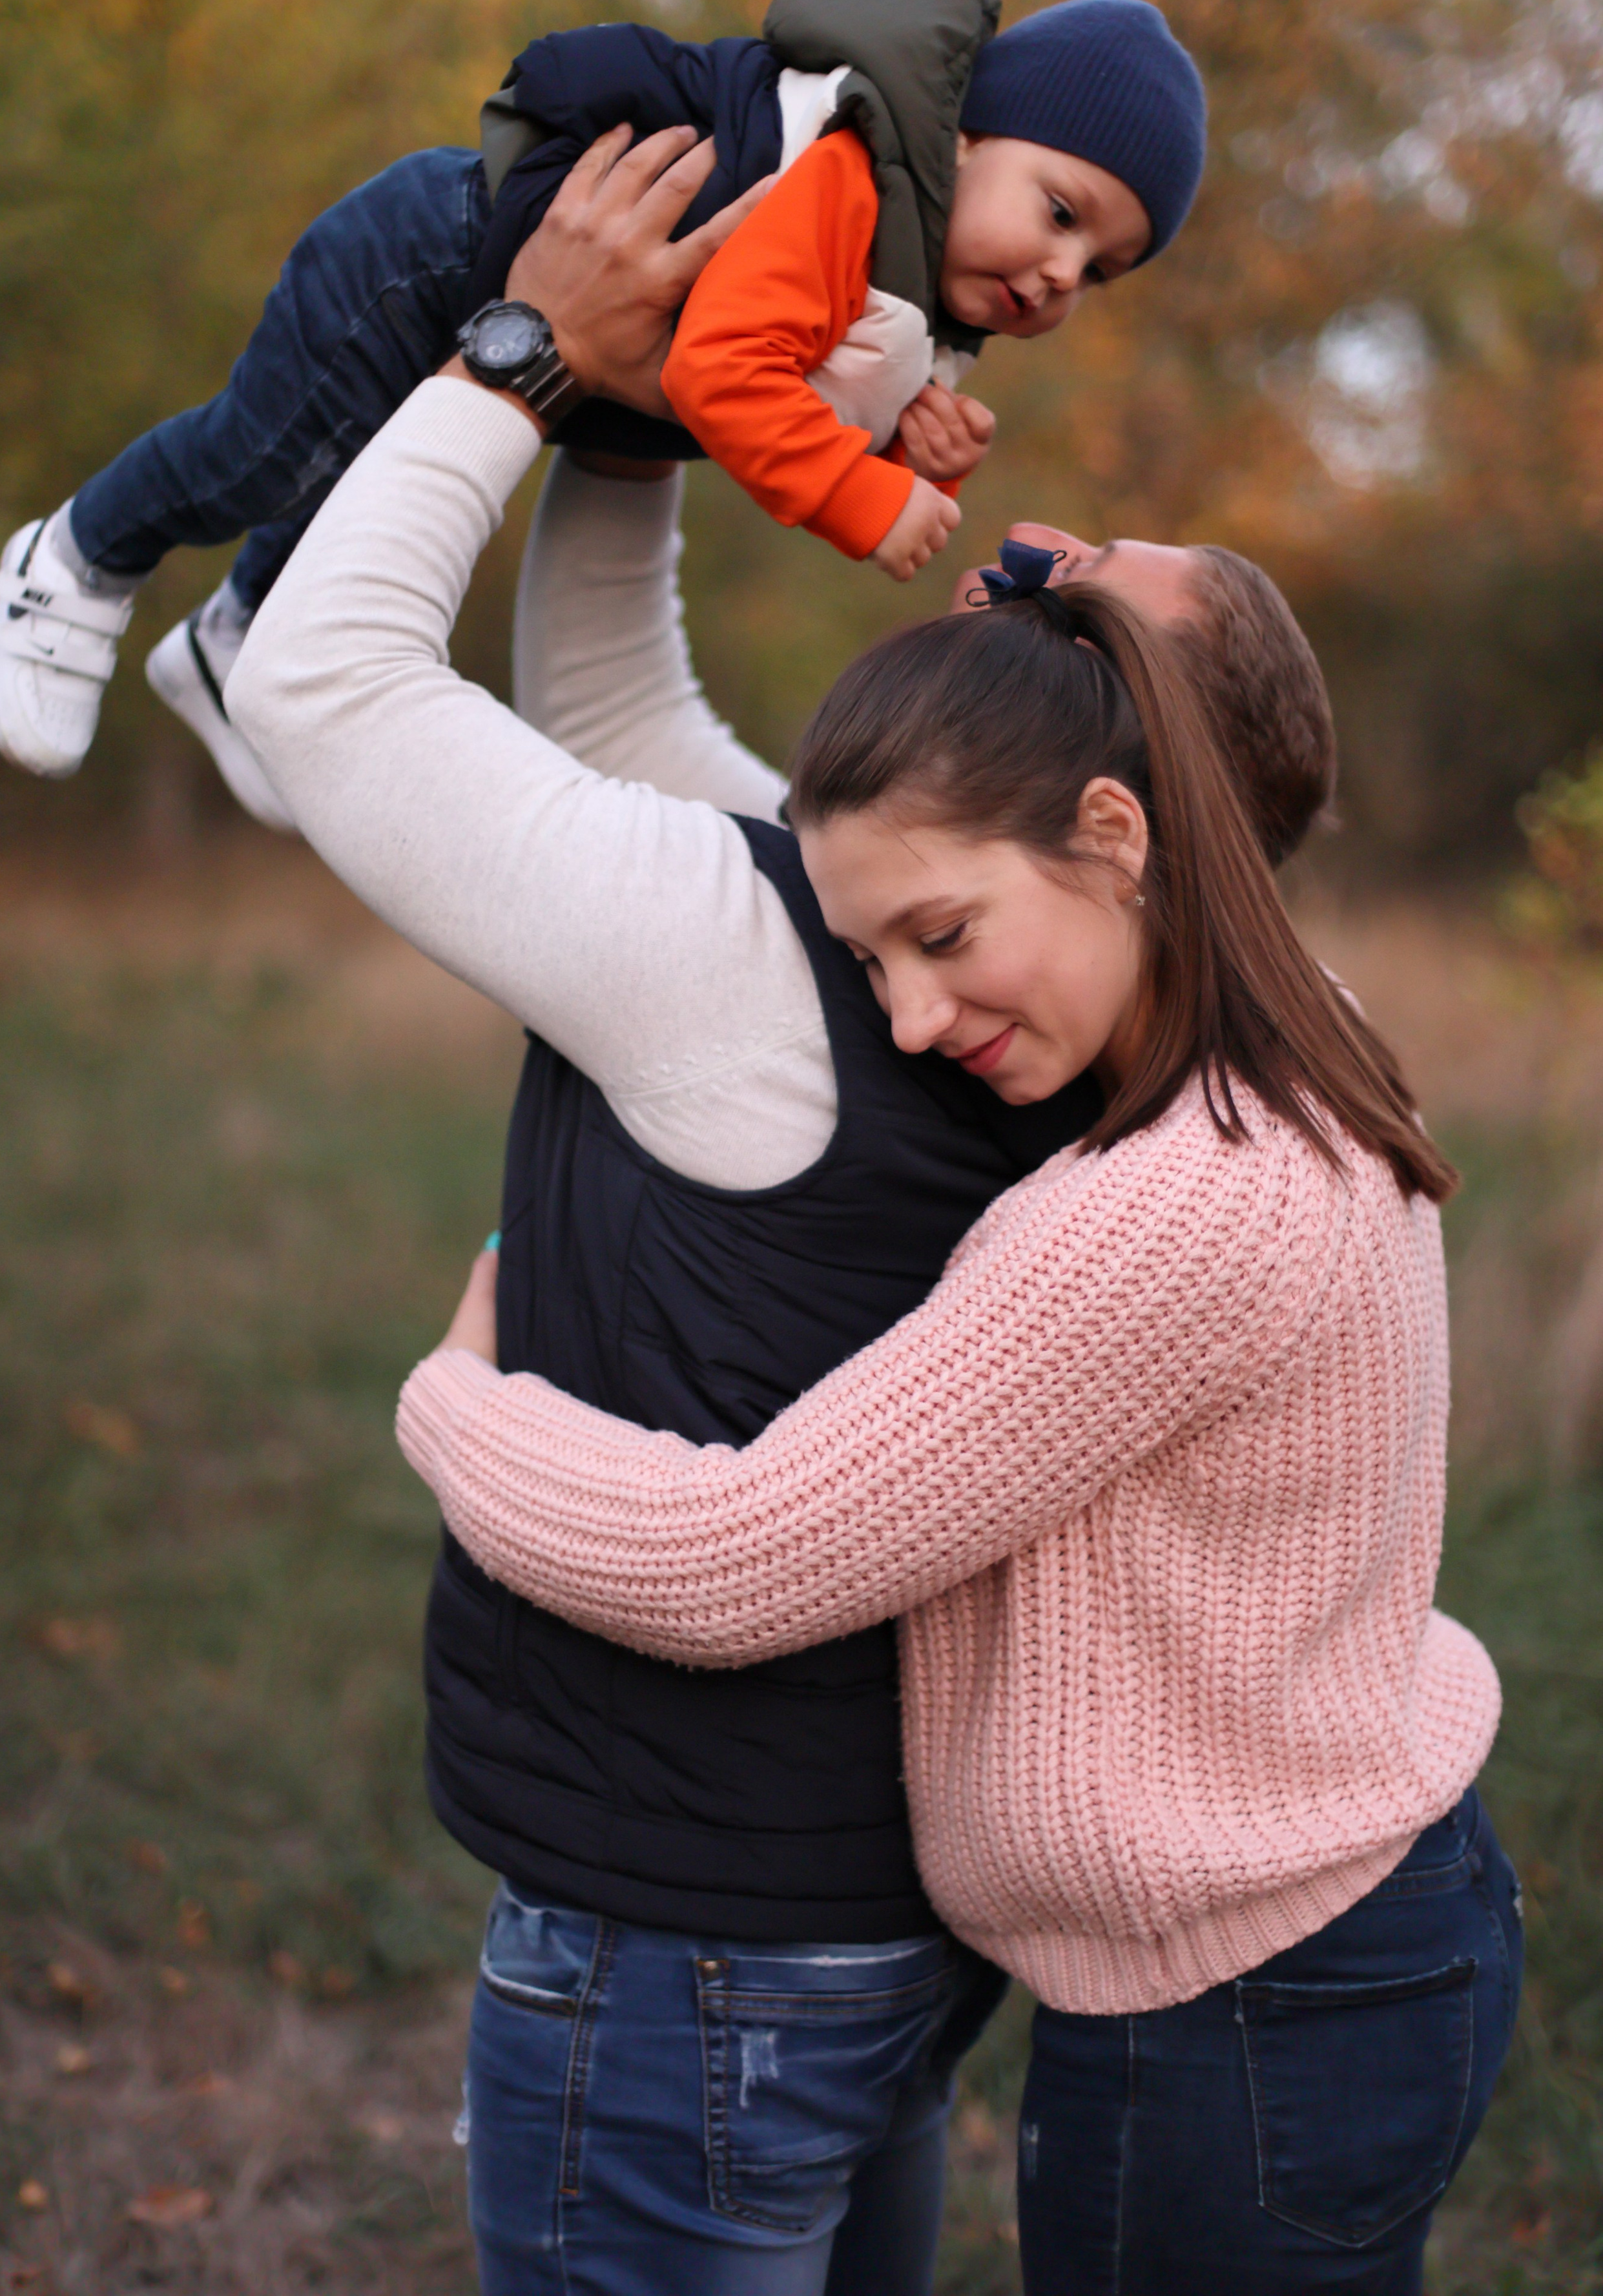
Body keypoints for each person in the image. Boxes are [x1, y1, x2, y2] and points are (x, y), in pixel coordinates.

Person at [218, 129, 1342, 2293]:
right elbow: (625, 718)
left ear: (1120, 808)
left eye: (1059, 590)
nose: (1007, 558)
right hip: (876, 1907)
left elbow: (323, 688)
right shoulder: (1033, 987)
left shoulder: (797, 969)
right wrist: (665, 400)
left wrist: (531, 345)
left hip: (683, 1929)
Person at [397, 537, 1521, 2291]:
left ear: (1119, 834)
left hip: (1248, 2000)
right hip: (1320, 1940)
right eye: (872, 965)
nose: (911, 1020)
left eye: (943, 938)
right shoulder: (1300, 1044)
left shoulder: (1171, 1203)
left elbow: (728, 1561)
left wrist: (458, 1401)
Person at [0, 0, 1206, 824]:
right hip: (424, 260)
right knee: (261, 459)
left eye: (1099, 270)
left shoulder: (910, 288)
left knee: (340, 476)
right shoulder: (848, 187)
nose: (1059, 272)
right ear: (969, 140)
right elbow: (725, 376)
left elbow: (771, 394)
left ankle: (230, 638)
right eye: (1060, 213)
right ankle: (77, 556)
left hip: (509, 323)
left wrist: (898, 453)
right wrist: (864, 500)